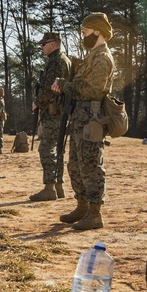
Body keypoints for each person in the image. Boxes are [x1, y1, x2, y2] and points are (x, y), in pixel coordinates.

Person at [52, 13, 115, 230]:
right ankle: (82, 206)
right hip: (80, 119)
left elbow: (92, 90)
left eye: (85, 31)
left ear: (97, 31)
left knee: (90, 166)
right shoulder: (91, 56)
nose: (83, 35)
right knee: (75, 165)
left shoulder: (102, 58)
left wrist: (65, 85)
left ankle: (95, 213)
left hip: (91, 119)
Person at [30, 32, 72, 201]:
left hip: (54, 111)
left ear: (53, 44)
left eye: (44, 44)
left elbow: (49, 88)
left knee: (46, 149)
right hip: (59, 112)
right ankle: (58, 187)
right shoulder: (62, 60)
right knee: (58, 150)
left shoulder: (56, 61)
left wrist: (37, 102)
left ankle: (49, 188)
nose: (41, 47)